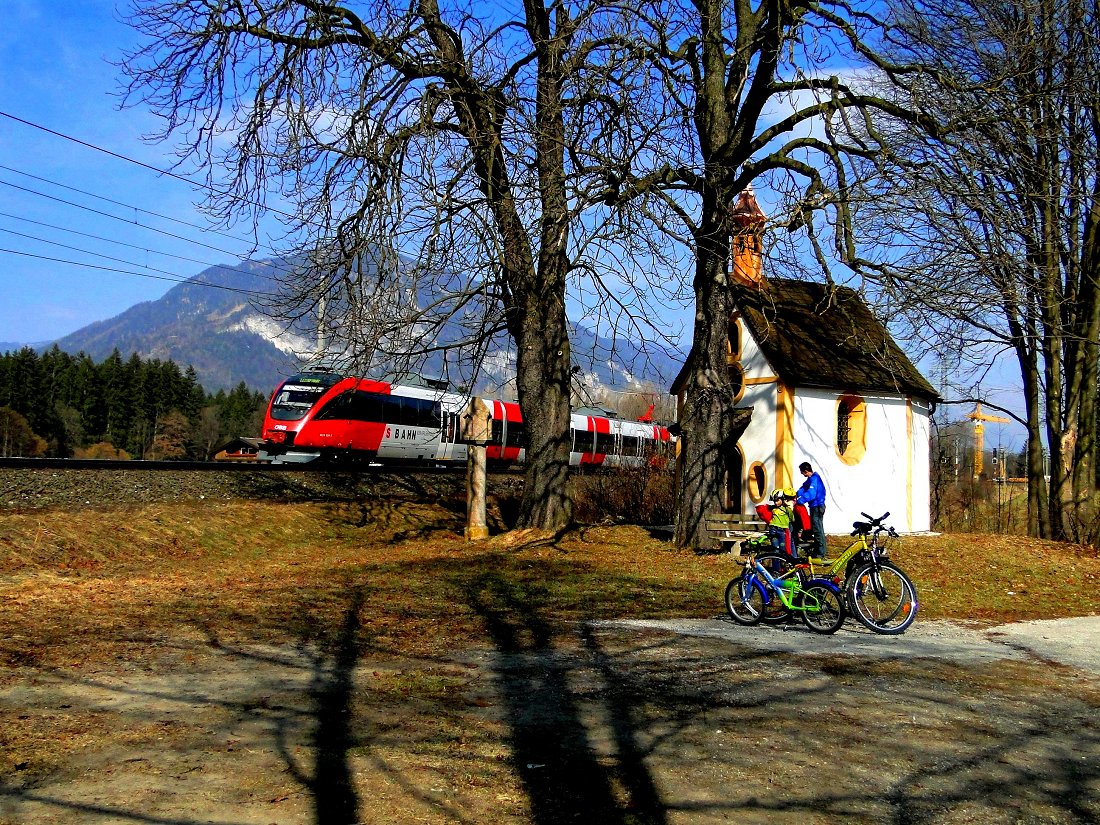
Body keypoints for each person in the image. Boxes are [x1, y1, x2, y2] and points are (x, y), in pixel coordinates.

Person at [796, 462, 827, 557]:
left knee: (817, 529)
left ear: (806, 471)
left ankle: (820, 553)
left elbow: (811, 493)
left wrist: (800, 500)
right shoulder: (811, 479)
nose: (802, 474)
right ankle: (819, 550)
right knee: (817, 528)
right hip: (816, 506)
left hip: (817, 507)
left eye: (802, 472)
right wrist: (795, 494)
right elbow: (804, 487)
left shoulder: (814, 479)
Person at [765, 488, 795, 558]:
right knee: (776, 550)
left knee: (781, 549)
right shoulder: (774, 508)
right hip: (774, 529)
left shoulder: (786, 508)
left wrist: (788, 507)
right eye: (774, 501)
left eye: (777, 500)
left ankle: (782, 566)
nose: (775, 503)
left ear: (783, 499)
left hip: (782, 530)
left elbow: (792, 518)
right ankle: (776, 568)